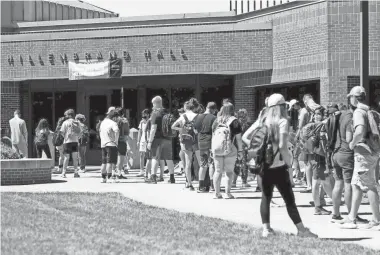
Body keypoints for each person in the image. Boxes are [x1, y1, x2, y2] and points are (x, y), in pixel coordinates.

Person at [255, 93, 317, 238]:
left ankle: (266, 229)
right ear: (281, 106)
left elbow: (246, 137)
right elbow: (283, 145)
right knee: (289, 199)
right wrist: (289, 164)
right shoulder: (282, 121)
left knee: (266, 197)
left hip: (264, 165)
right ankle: (301, 230)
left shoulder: (262, 120)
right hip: (278, 165)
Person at [340, 86, 380, 230]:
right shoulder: (370, 110)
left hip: (364, 153)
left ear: (354, 98)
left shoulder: (358, 112)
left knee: (369, 185)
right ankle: (351, 218)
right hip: (372, 151)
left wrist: (352, 143)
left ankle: (376, 220)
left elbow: (360, 130)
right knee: (356, 185)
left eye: (350, 97)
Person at [330, 105, 368, 224]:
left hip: (335, 153)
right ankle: (352, 215)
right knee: (349, 185)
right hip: (346, 154)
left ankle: (335, 214)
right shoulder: (350, 118)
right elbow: (348, 138)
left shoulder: (338, 116)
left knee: (338, 183)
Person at [211, 102, 243, 199]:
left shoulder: (216, 121)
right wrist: (240, 151)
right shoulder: (234, 121)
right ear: (232, 109)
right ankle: (227, 193)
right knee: (229, 172)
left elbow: (213, 135)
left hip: (217, 148)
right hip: (230, 148)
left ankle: (217, 193)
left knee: (217, 171)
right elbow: (238, 138)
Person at [307, 108, 334, 215]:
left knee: (318, 181)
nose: (316, 116)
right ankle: (319, 207)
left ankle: (319, 206)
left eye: (318, 114)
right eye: (315, 114)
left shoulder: (314, 125)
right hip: (319, 156)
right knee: (321, 182)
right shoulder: (322, 125)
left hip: (316, 155)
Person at [171, 100, 201, 190]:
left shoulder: (183, 116)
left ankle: (189, 184)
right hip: (196, 140)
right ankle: (202, 182)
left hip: (186, 140)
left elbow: (173, 126)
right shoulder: (197, 116)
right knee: (200, 162)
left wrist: (181, 129)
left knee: (188, 163)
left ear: (186, 107)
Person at [146, 96, 175, 184]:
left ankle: (153, 177)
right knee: (169, 159)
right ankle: (172, 177)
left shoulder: (155, 113)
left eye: (153, 104)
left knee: (155, 157)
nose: (152, 106)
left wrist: (150, 141)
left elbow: (153, 128)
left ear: (155, 103)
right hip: (168, 138)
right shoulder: (167, 112)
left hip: (157, 139)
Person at [194, 102, 218, 192]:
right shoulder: (214, 118)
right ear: (213, 109)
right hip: (210, 141)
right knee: (211, 164)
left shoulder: (198, 117)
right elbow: (215, 131)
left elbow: (195, 130)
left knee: (203, 164)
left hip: (201, 141)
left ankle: (201, 186)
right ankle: (212, 186)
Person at [232, 108, 252, 188]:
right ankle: (244, 182)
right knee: (244, 163)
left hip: (236, 145)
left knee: (236, 163)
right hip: (244, 145)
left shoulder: (235, 124)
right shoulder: (248, 125)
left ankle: (233, 182)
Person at [99, 108, 120, 183]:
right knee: (110, 162)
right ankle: (110, 177)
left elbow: (100, 132)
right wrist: (116, 140)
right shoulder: (112, 123)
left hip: (103, 144)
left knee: (104, 162)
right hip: (111, 144)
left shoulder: (102, 123)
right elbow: (117, 131)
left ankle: (103, 177)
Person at [60, 109, 81, 178]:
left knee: (66, 158)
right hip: (75, 141)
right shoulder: (77, 122)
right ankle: (76, 173)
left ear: (69, 115)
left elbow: (62, 132)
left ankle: (63, 173)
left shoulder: (65, 122)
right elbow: (80, 133)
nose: (65, 116)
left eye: (66, 115)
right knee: (75, 158)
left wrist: (65, 137)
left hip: (67, 142)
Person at [114, 107, 129, 180]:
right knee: (121, 157)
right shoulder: (124, 120)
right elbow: (126, 132)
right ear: (123, 113)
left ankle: (113, 172)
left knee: (114, 157)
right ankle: (119, 173)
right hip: (121, 140)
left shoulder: (113, 120)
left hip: (113, 141)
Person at [137, 109, 150, 177]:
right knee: (142, 155)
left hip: (148, 140)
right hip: (142, 140)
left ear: (148, 114)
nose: (143, 115)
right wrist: (138, 141)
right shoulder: (141, 122)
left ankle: (149, 171)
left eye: (145, 114)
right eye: (143, 114)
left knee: (149, 156)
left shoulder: (150, 121)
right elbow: (140, 131)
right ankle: (141, 170)